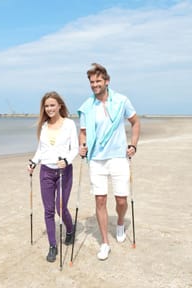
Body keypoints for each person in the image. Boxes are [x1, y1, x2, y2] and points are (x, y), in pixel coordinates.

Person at [78, 63, 140, 260]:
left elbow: (135, 122)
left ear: (107, 81)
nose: (94, 85)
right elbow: (83, 132)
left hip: (119, 157)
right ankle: (105, 243)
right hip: (96, 159)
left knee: (121, 200)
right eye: (92, 82)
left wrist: (133, 145)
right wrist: (82, 145)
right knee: (100, 199)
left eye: (98, 81)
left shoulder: (122, 100)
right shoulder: (87, 106)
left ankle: (120, 222)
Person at [27, 91, 79, 263]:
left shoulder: (69, 124)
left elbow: (75, 149)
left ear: (59, 106)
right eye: (46, 106)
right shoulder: (43, 126)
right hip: (46, 172)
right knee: (48, 211)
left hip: (64, 171)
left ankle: (70, 230)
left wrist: (66, 160)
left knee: (60, 207)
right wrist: (33, 162)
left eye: (52, 105)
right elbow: (41, 150)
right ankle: (52, 246)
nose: (49, 108)